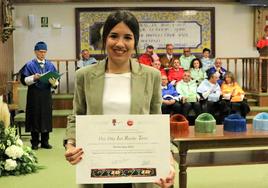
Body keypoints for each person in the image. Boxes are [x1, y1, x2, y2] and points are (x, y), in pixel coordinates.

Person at [64, 11, 175, 188]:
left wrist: (167, 161)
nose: (120, 43)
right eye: (114, 36)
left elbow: (156, 123)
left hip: (139, 170)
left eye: (128, 37)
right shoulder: (84, 76)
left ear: (135, 42)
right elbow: (77, 116)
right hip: (96, 169)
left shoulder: (151, 76)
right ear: (105, 38)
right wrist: (70, 145)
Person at [20, 41, 58, 150]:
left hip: (46, 95)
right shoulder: (29, 65)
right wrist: (34, 78)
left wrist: (54, 83)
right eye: (41, 52)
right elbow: (24, 80)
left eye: (44, 52)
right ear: (35, 52)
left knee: (46, 117)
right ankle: (35, 142)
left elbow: (56, 81)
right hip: (34, 95)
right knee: (34, 117)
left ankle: (45, 141)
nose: (43, 54)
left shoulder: (50, 65)